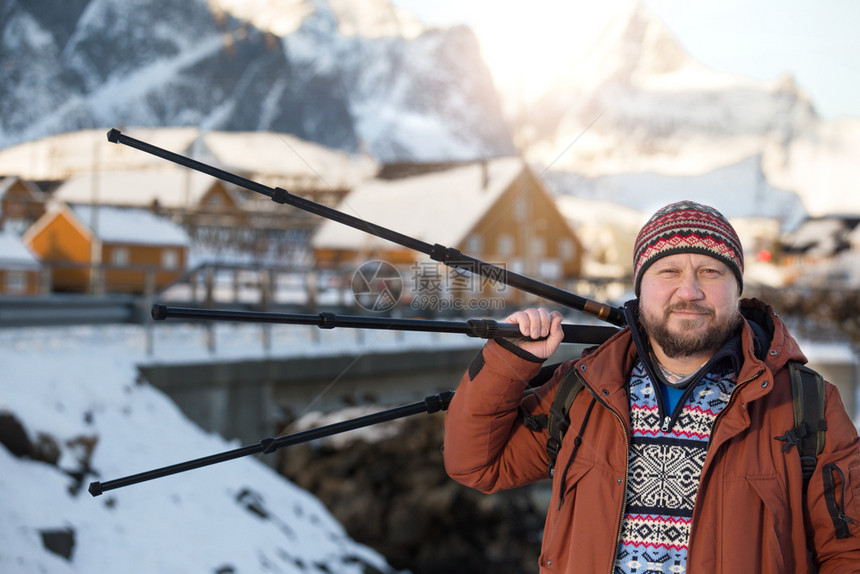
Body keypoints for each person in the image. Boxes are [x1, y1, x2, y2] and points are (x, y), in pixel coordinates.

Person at [443, 200, 860, 573]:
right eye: (669, 271)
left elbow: (849, 551)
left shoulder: (806, 403)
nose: (690, 291)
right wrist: (508, 360)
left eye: (711, 272)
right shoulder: (583, 389)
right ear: (641, 290)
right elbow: (477, 465)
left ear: (739, 291)